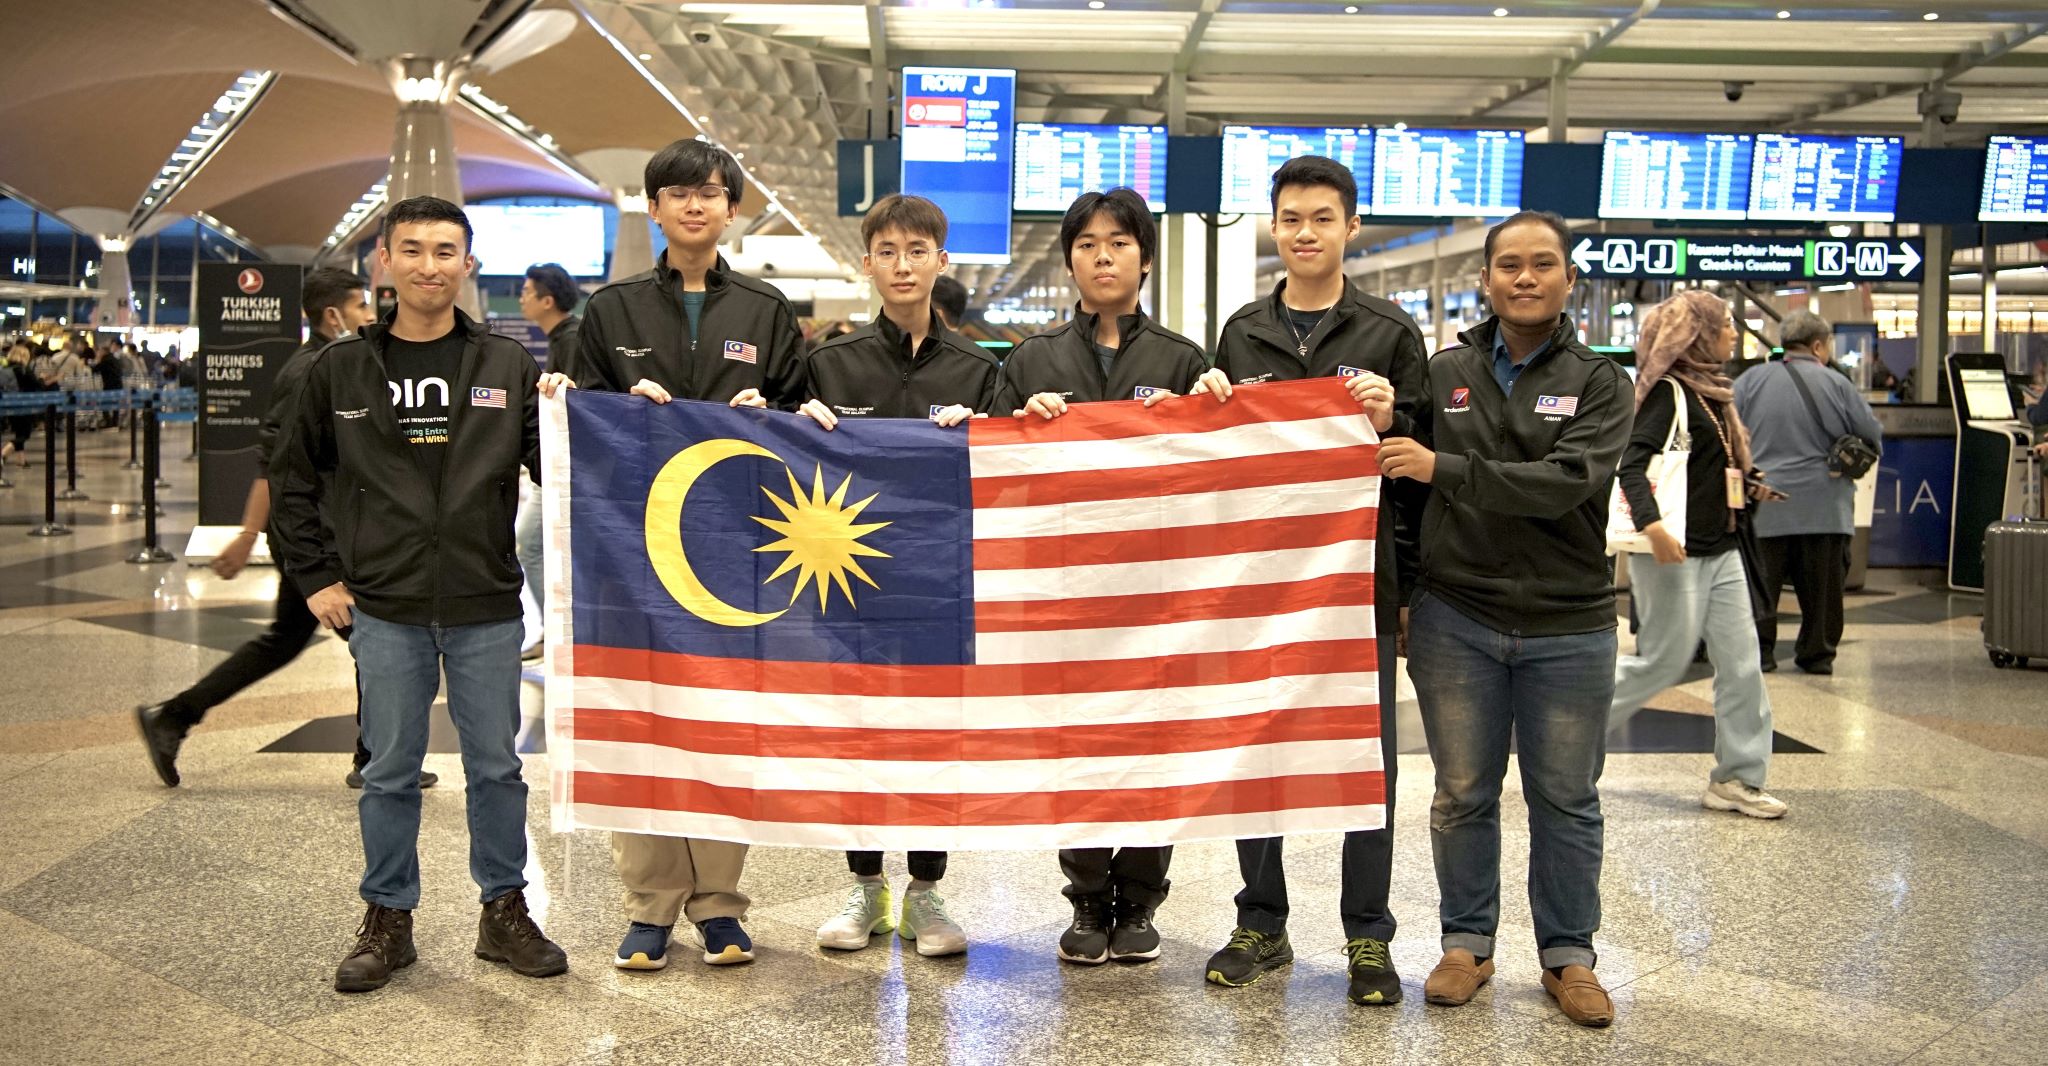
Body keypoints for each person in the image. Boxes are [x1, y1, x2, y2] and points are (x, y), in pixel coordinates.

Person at [270, 196, 573, 994]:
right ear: (385, 263)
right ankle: (387, 918)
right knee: (391, 771)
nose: (430, 265)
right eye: (413, 250)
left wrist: (585, 416)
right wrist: (316, 579)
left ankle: (503, 909)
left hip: (483, 600)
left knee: (496, 768)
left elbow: (561, 470)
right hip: (385, 604)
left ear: (467, 266)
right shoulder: (339, 369)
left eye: (447, 250)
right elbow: (294, 480)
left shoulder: (507, 366)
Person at [1381, 210, 1632, 1028]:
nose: (1526, 278)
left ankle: (1570, 957)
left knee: (1566, 797)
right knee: (1460, 793)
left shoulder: (1602, 381)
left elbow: (1565, 481)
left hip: (1570, 621)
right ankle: (1467, 945)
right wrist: (1414, 590)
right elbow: (1400, 483)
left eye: (1543, 264)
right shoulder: (1445, 368)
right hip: (1457, 615)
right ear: (1485, 279)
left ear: (1569, 279)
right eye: (1510, 265)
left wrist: (1442, 465)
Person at [1198, 155, 1426, 1005]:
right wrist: (1208, 404)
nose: (1303, 233)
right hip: (1259, 589)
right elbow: (1220, 468)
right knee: (1257, 753)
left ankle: (1368, 934)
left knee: (1366, 763)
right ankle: (1262, 916)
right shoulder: (1242, 333)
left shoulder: (1390, 335)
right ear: (1273, 226)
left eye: (1321, 218)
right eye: (1290, 218)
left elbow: (1420, 466)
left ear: (1350, 227)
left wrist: (1391, 417)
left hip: (1356, 583)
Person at [575, 137, 805, 972]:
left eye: (711, 193)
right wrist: (609, 407)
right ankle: (649, 906)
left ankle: (718, 905)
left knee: (724, 728)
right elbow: (573, 428)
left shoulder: (767, 310)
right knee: (642, 724)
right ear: (655, 207)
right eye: (679, 193)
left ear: (732, 209)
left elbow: (805, 420)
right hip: (632, 555)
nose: (696, 206)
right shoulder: (611, 311)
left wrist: (770, 411)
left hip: (735, 555)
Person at [992, 187, 1229, 967]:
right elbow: (992, 473)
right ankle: (1087, 898)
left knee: (1155, 742)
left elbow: (1219, 478)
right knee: (1081, 745)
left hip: (1158, 594)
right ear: (1069, 259)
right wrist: (1025, 421)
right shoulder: (1029, 360)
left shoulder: (1183, 359)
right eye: (1087, 243)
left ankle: (1142, 899)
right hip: (1064, 593)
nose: (1103, 255)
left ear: (1144, 258)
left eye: (1119, 243)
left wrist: (1200, 413)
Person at [132, 269, 434, 792]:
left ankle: (173, 717)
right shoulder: (316, 368)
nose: (370, 315)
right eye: (361, 306)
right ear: (333, 315)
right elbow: (278, 464)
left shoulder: (328, 362)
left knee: (287, 639)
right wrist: (249, 534)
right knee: (378, 637)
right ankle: (374, 756)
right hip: (315, 537)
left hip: (312, 532)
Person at [796, 194, 997, 960]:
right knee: (858, 739)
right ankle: (865, 883)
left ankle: (926, 891)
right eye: (887, 250)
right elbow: (776, 465)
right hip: (846, 598)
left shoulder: (979, 372)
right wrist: (780, 421)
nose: (903, 264)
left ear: (941, 261)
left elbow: (1009, 478)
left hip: (941, 591)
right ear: (868, 263)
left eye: (918, 250)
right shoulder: (828, 364)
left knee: (933, 743)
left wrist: (984, 437)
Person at [1606, 290, 1786, 820]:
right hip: (1674, 551)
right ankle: (1563, 739)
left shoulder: (1715, 393)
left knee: (1742, 665)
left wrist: (1746, 482)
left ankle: (1737, 777)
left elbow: (1714, 465)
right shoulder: (1667, 393)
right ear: (1698, 334)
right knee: (1661, 661)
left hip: (1723, 547)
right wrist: (1653, 526)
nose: (1734, 333)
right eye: (1726, 325)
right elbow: (1629, 466)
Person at [1733, 310, 1882, 675]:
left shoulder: (1750, 381)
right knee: (1823, 590)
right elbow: (1873, 436)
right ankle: (1817, 654)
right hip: (1825, 505)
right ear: (1818, 345)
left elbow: (1729, 435)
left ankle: (1762, 653)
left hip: (1765, 504)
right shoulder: (1837, 384)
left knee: (1761, 586)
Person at [512, 262, 583, 660]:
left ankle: (559, 634)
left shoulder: (571, 339)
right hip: (555, 466)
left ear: (547, 300)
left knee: (530, 546)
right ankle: (555, 634)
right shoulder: (563, 336)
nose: (521, 298)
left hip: (562, 468)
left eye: (527, 291)